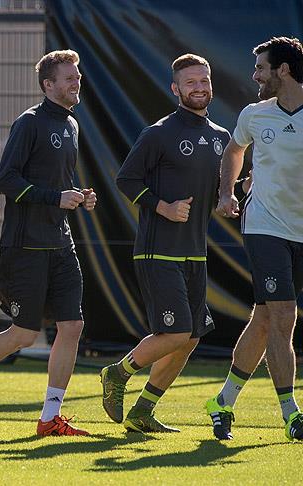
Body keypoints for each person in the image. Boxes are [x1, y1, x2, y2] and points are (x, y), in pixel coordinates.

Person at [0, 50, 96, 437]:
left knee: (72, 325)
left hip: (61, 243)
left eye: (77, 77)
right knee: (24, 334)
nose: (76, 83)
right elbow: (7, 179)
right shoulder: (30, 122)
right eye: (69, 78)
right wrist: (55, 197)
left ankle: (50, 417)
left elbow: (57, 182)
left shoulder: (72, 124)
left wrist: (77, 196)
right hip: (25, 247)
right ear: (48, 85)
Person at [103, 54, 229, 433]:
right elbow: (126, 179)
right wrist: (164, 207)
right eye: (190, 82)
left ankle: (143, 411)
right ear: (175, 89)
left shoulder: (221, 137)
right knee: (175, 333)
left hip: (196, 254)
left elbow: (221, 188)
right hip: (157, 251)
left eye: (204, 80)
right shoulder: (158, 133)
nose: (199, 88)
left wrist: (233, 193)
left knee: (190, 338)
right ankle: (117, 373)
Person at [208, 36, 303, 441]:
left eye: (262, 68)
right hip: (264, 226)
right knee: (283, 316)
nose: (255, 75)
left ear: (284, 70)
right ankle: (292, 414)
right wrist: (226, 193)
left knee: (264, 320)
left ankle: (222, 402)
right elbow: (233, 151)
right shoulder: (253, 114)